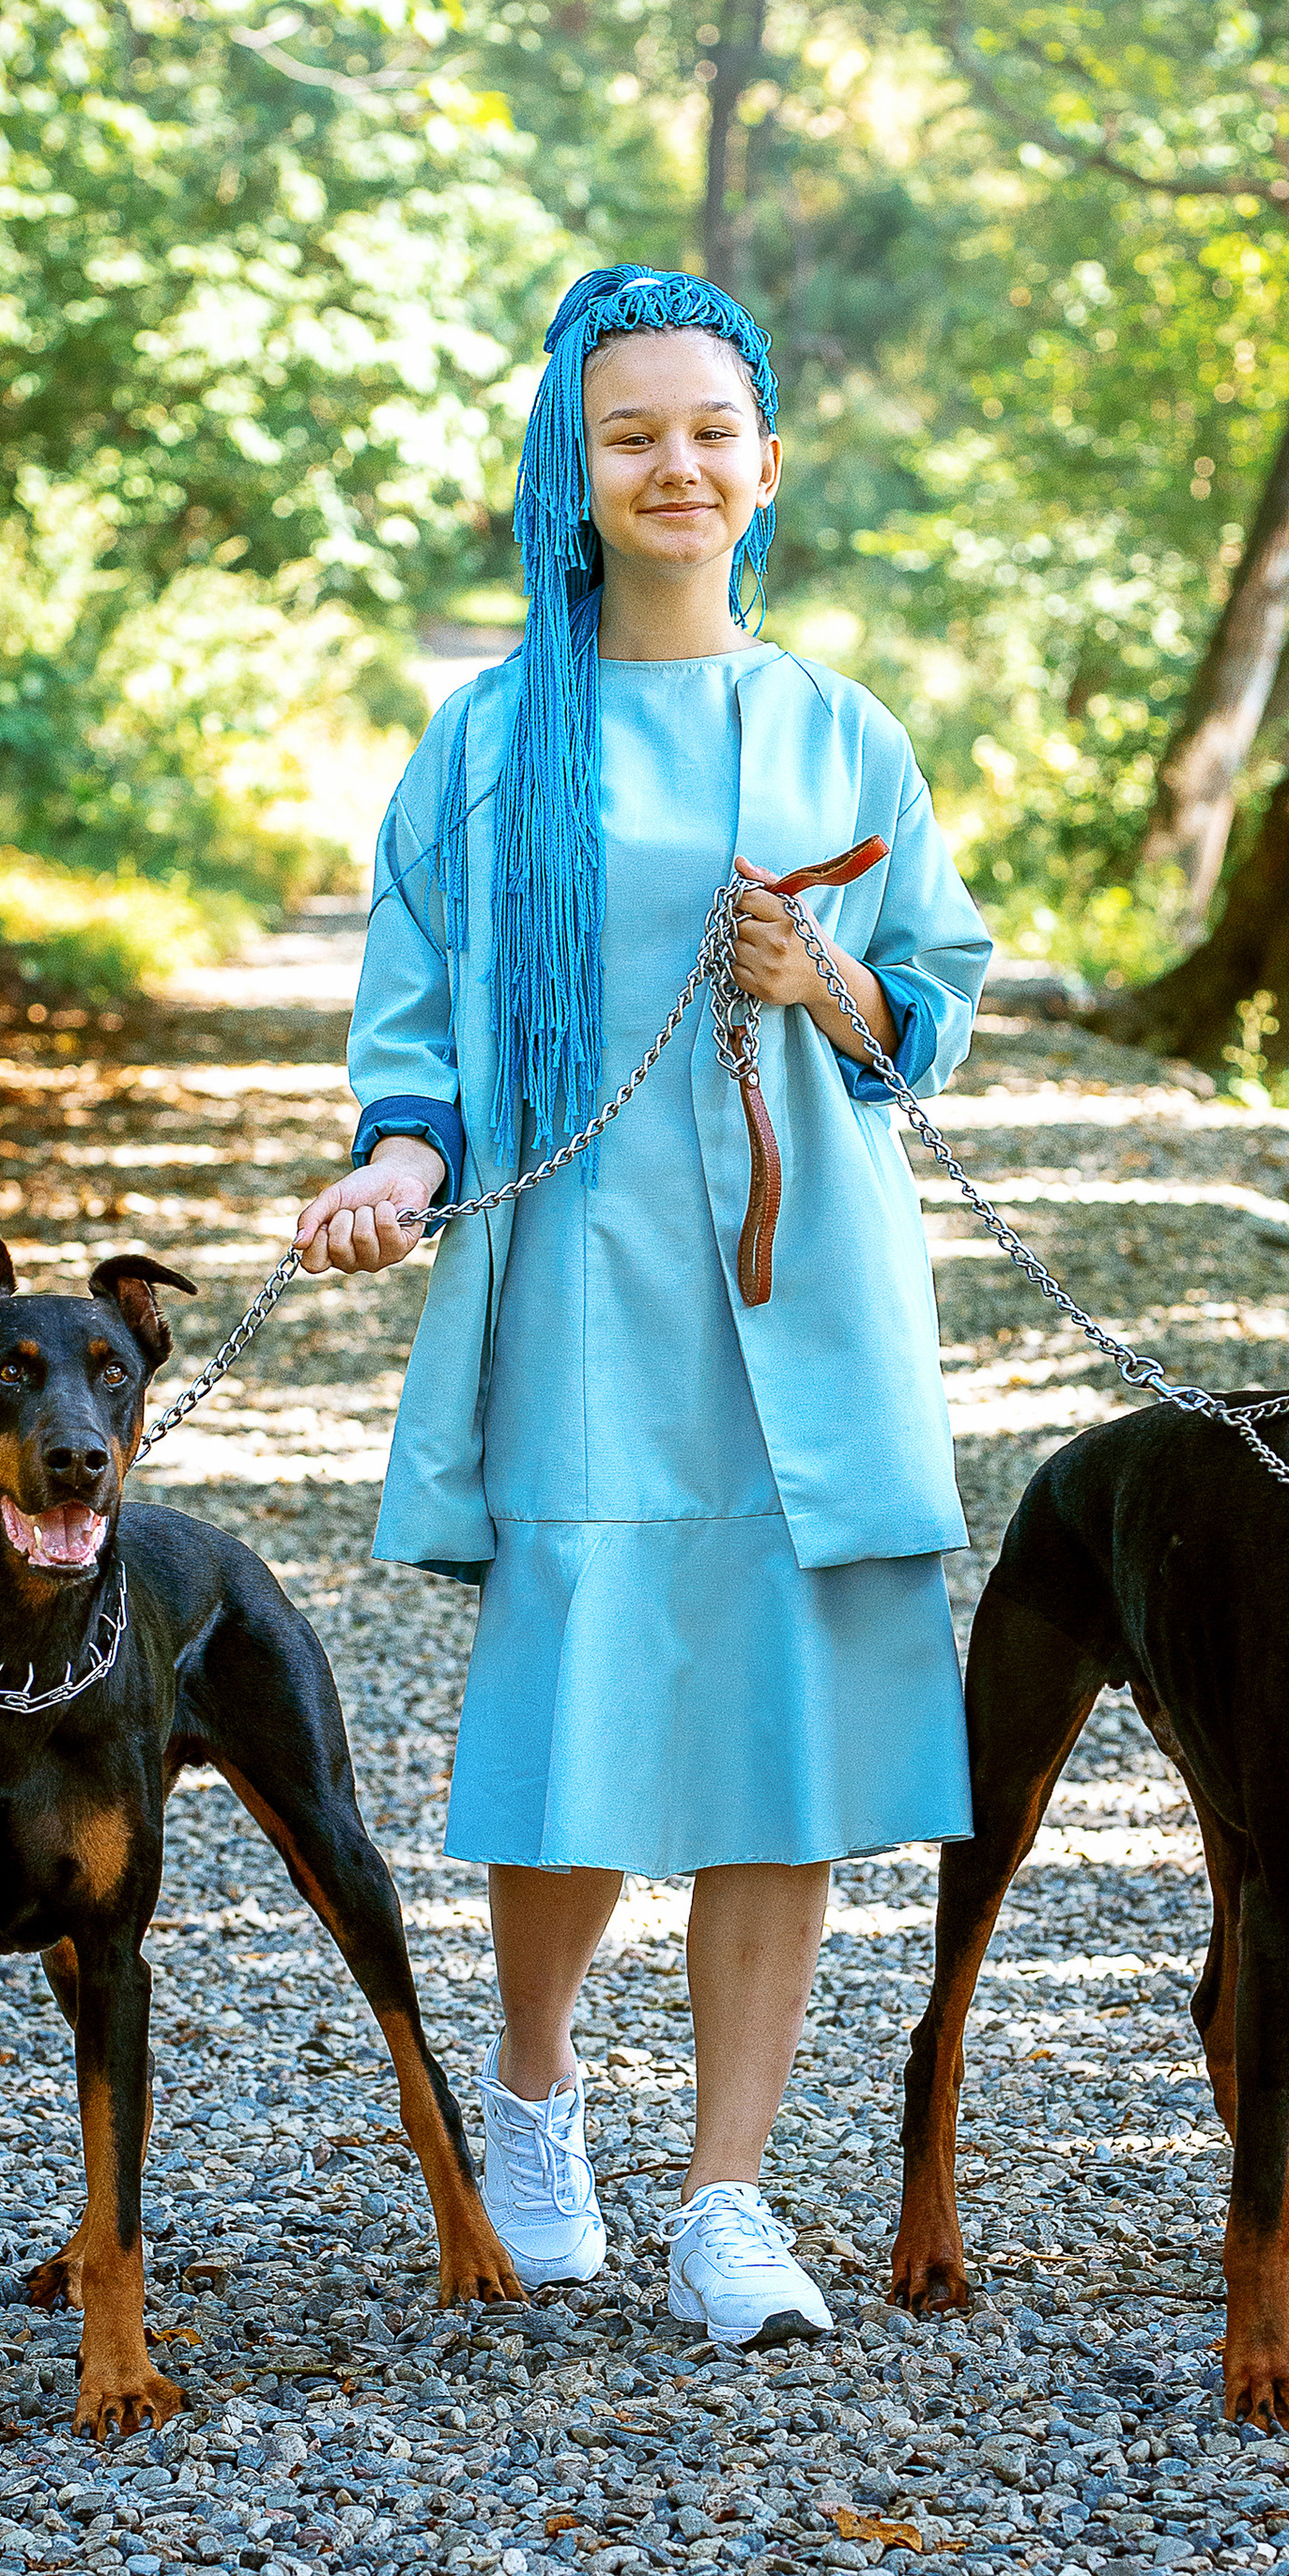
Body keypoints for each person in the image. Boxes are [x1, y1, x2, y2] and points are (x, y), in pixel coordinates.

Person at [293, 263, 987, 2352]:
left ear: (767, 464)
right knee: (581, 1710)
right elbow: (415, 1009)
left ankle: (727, 2196)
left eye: (709, 431)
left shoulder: (845, 731)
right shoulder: (494, 737)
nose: (674, 466)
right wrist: (396, 1163)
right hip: (584, 1293)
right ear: (573, 468)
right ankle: (532, 2102)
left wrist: (827, 979)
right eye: (632, 435)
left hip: (806, 1296)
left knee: (785, 1740)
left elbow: (930, 1006)